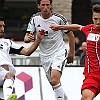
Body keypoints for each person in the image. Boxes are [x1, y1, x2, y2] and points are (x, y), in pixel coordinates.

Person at [24, 0, 75, 100]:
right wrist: (28, 38)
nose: (46, 7)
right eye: (43, 5)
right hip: (45, 56)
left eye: (48, 5)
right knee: (54, 84)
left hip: (59, 52)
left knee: (55, 79)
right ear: (38, 6)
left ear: (51, 5)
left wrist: (71, 54)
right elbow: (26, 37)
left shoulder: (59, 18)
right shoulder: (34, 19)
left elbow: (71, 35)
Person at [49, 3, 100, 100]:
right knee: (85, 97)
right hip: (92, 76)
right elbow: (77, 27)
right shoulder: (89, 29)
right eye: (95, 19)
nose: (97, 22)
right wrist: (59, 27)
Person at [0, 16, 45, 100]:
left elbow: (27, 52)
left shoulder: (7, 43)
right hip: (6, 76)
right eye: (0, 26)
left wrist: (38, 39)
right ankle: (8, 98)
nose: (2, 29)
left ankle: (7, 97)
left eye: (3, 26)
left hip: (3, 81)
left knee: (9, 76)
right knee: (10, 75)